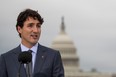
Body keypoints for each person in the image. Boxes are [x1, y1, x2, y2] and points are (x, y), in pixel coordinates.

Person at [0, 8, 64, 77]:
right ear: (19, 29)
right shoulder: (6, 59)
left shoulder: (53, 56)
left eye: (38, 26)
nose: (36, 30)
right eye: (30, 26)